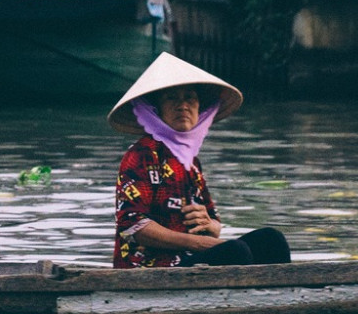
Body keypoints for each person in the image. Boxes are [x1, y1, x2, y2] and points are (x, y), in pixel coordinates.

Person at [110, 53, 290, 268]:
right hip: (150, 266)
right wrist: (197, 243)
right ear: (155, 109)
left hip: (189, 258)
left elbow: (214, 224)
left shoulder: (191, 161)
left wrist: (209, 225)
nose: (183, 106)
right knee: (235, 252)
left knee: (271, 240)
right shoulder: (142, 154)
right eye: (171, 98)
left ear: (199, 107)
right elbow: (133, 226)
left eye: (190, 98)